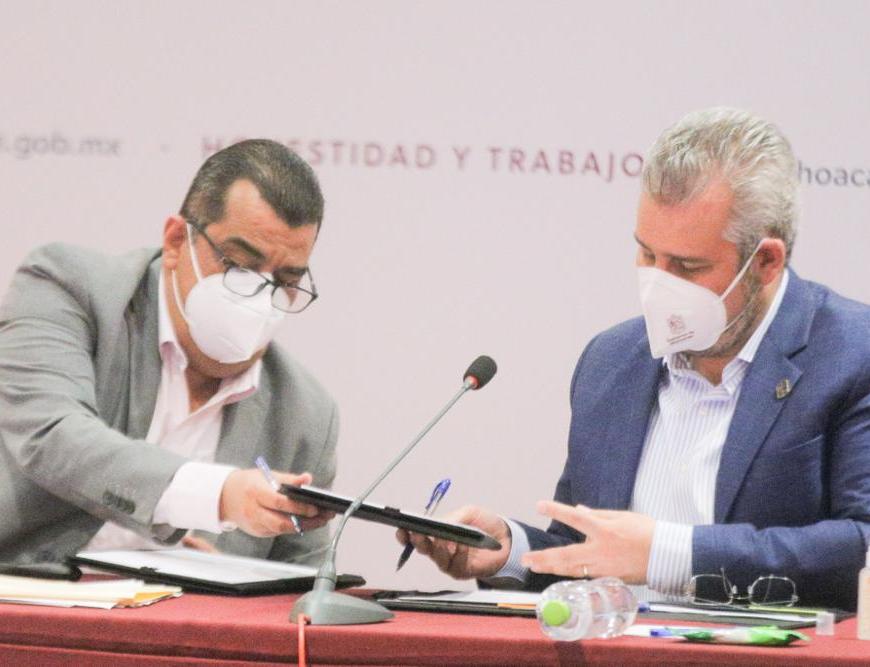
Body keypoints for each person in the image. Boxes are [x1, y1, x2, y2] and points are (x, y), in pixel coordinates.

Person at [400, 108, 870, 610]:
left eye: (686, 266)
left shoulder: (851, 352)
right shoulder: (610, 361)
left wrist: (670, 553)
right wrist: (510, 553)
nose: (658, 284)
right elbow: (588, 553)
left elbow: (861, 540)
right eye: (647, 254)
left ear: (766, 261)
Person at [0, 139, 338, 566]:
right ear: (177, 241)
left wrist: (215, 574)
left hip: (179, 609)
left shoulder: (305, 414)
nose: (260, 295)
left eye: (286, 280)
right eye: (239, 266)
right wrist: (220, 496)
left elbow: (304, 588)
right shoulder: (68, 288)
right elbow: (52, 436)